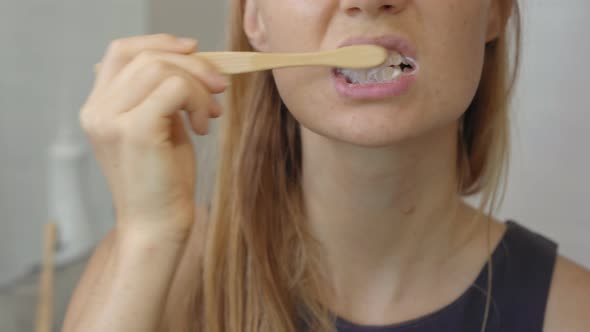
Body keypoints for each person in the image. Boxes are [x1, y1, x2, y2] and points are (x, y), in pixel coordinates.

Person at [63, 0, 590, 331]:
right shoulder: (159, 272)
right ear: (255, 18)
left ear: (494, 11)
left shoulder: (572, 312)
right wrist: (147, 235)